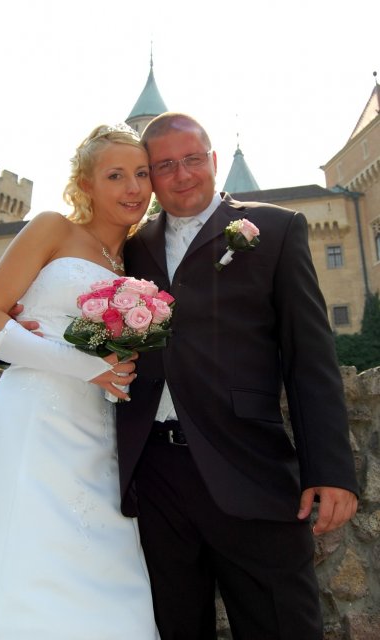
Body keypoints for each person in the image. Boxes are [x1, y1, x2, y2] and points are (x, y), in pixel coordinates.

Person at [114, 112, 359, 640]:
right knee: (173, 627)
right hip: (153, 475)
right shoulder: (128, 245)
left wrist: (331, 469)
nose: (182, 174)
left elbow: (309, 357)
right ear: (150, 175)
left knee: (282, 624)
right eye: (165, 165)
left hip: (250, 466)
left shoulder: (276, 229)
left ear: (213, 159)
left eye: (192, 159)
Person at [0, 124, 160, 639]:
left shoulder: (139, 259)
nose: (133, 188)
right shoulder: (53, 228)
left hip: (101, 436)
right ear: (86, 183)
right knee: (14, 557)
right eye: (115, 175)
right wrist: (86, 365)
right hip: (32, 419)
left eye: (142, 174)